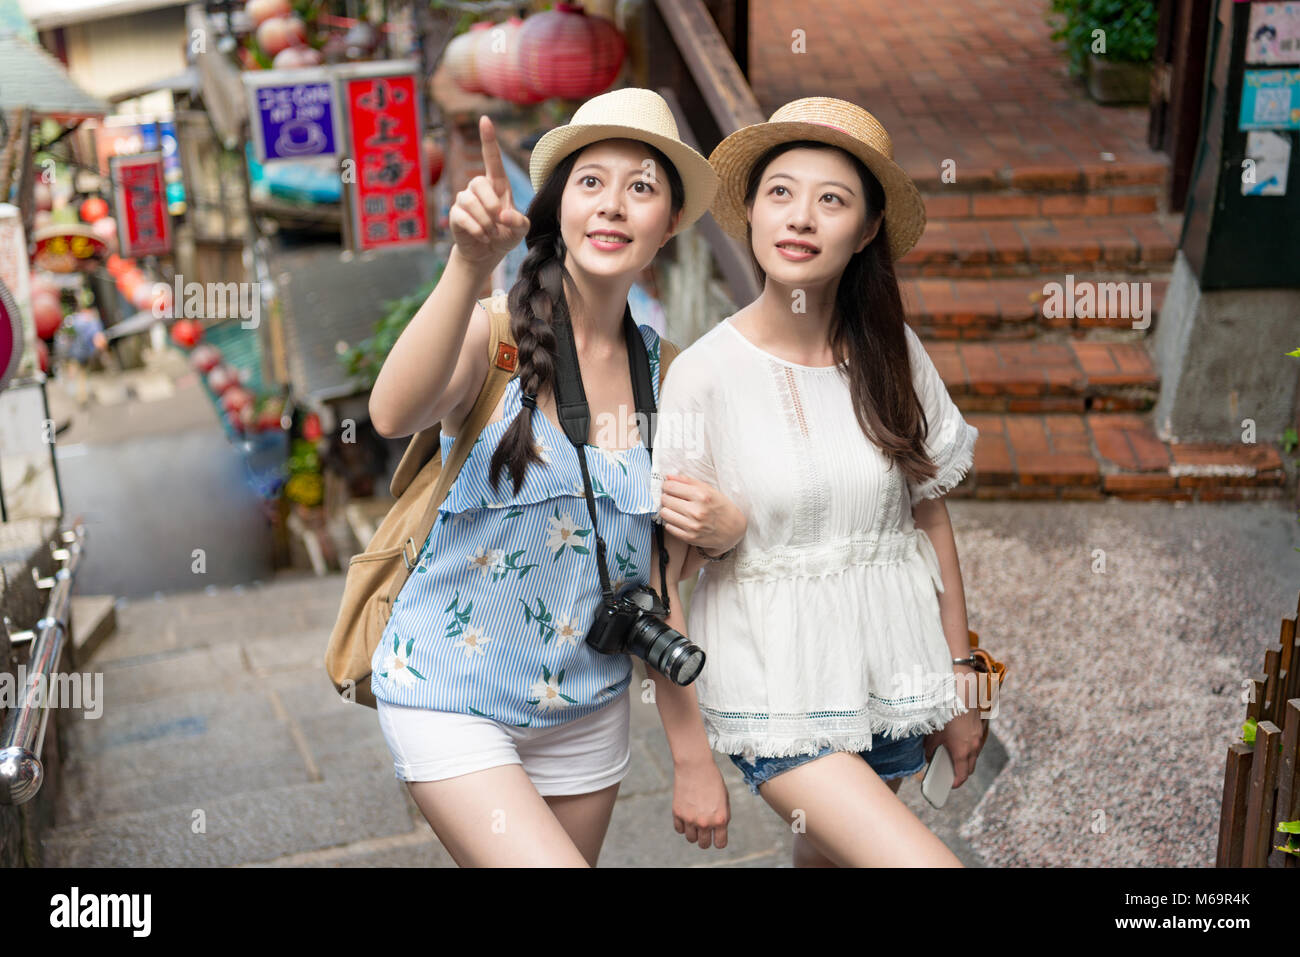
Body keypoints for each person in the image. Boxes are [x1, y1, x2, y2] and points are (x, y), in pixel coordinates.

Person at [365, 87, 747, 867]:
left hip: (586, 707)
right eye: (590, 182)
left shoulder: (669, 377)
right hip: (448, 693)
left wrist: (691, 754)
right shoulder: (496, 335)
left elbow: (662, 579)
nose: (613, 205)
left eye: (641, 186)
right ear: (561, 206)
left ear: (669, 222)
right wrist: (468, 263)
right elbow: (391, 411)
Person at [649, 97, 985, 867]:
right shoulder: (704, 375)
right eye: (780, 192)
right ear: (752, 212)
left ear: (866, 230)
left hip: (893, 674)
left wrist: (963, 678)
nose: (800, 217)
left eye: (830, 199)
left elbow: (928, 519)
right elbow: (665, 580)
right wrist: (691, 755)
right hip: (776, 690)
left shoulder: (891, 350)